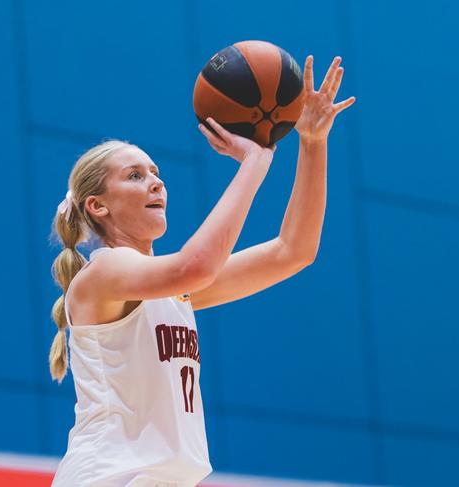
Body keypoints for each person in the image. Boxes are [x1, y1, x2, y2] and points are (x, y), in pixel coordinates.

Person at [48, 55, 355, 487]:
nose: (156, 182)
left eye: (156, 173)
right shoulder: (106, 273)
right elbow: (196, 266)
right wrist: (255, 160)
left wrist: (311, 141)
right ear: (98, 206)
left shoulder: (169, 291)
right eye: (135, 176)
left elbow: (292, 251)